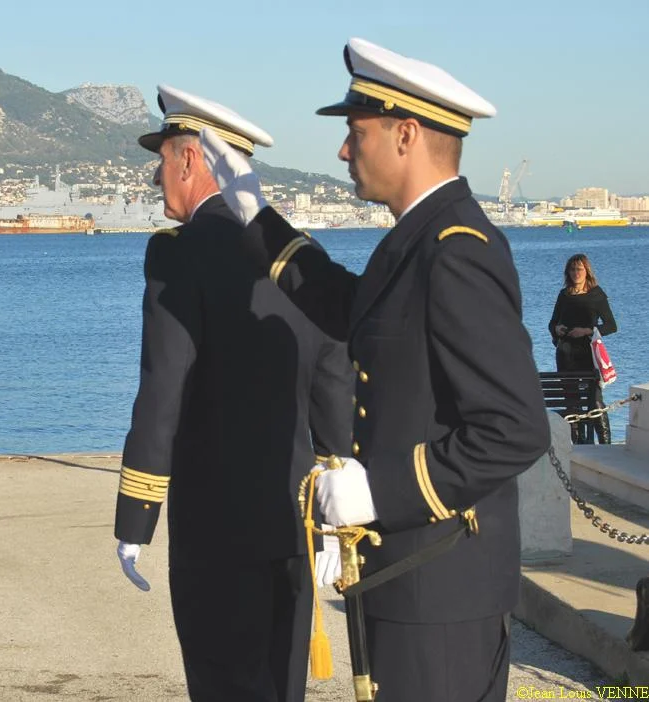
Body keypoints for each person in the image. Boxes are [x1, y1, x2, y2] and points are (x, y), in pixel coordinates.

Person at [201, 38, 551, 702]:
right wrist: (255, 213)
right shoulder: (418, 239)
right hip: (409, 578)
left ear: (406, 134)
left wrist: (378, 492)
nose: (341, 152)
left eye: (354, 133)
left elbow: (515, 428)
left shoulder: (456, 251)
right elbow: (346, 305)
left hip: (440, 591)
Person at [113, 85, 354, 702]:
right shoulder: (301, 254)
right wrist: (334, 508)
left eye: (162, 159)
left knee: (224, 683)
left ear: (190, 160)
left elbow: (162, 391)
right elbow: (334, 382)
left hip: (214, 527)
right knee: (281, 684)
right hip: (295, 518)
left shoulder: (178, 255)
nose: (156, 175)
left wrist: (136, 518)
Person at [549, 253, 617, 444]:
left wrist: (587, 330)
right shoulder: (564, 295)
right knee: (571, 401)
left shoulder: (596, 294)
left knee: (594, 399)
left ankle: (605, 444)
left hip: (589, 354)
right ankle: (578, 444)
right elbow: (552, 323)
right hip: (566, 354)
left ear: (587, 271)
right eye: (572, 269)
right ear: (567, 272)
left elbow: (611, 325)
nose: (576, 273)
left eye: (579, 269)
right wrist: (557, 329)